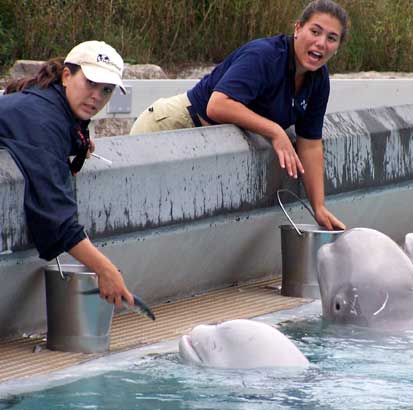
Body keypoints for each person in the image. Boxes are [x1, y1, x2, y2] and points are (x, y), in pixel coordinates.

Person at [130, 0, 349, 230]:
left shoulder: (319, 79)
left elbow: (310, 143)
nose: (321, 42)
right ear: (297, 29)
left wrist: (319, 207)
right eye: (315, 31)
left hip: (212, 148)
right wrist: (274, 131)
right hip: (175, 126)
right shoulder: (265, 56)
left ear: (337, 46)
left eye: (331, 38)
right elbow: (217, 105)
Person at [0, 41, 134, 308]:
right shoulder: (43, 122)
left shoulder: (47, 101)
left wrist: (78, 140)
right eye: (90, 83)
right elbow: (57, 217)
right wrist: (104, 269)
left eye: (106, 90)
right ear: (66, 76)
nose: (97, 96)